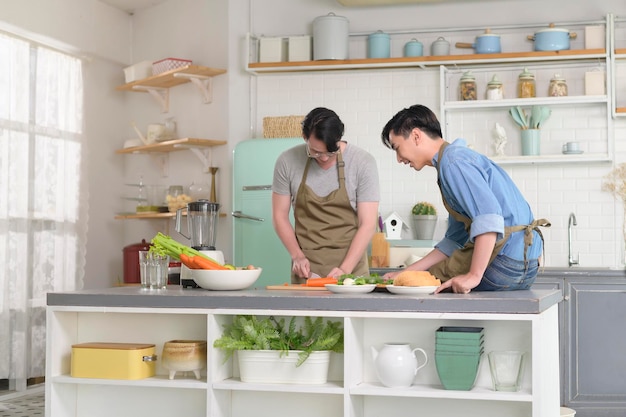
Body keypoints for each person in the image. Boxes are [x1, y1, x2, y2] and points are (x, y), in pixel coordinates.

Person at [380, 104, 550, 294]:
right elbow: (454, 240)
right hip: (527, 268)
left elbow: (488, 219)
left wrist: (474, 276)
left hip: (502, 265)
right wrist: (408, 272)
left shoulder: (453, 162)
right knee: (417, 279)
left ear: (416, 136)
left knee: (420, 287)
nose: (399, 159)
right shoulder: (458, 159)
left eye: (397, 148)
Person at [272, 107, 380, 283]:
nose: (323, 158)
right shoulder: (287, 162)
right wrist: (297, 256)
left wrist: (345, 269)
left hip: (351, 272)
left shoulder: (363, 163)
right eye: (315, 151)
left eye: (331, 152)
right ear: (304, 137)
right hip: (307, 271)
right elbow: (279, 216)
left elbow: (368, 224)